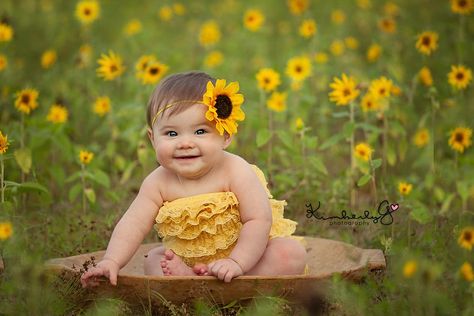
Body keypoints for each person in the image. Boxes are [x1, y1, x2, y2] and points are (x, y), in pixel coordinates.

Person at [81, 71, 307, 287]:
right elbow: (133, 224)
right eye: (171, 133)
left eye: (200, 131)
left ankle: (234, 282)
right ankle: (193, 279)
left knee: (289, 254)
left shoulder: (236, 170)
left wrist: (236, 262)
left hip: (247, 258)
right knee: (154, 258)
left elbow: (258, 220)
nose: (185, 143)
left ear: (225, 135)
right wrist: (111, 261)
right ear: (152, 139)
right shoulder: (157, 183)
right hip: (188, 260)